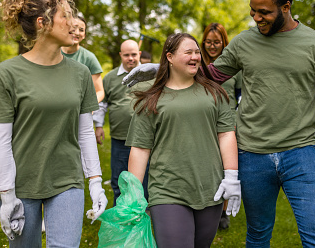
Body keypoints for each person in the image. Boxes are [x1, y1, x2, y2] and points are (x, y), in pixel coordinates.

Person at [123, 0, 315, 248]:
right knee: (258, 235)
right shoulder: (243, 43)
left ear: (286, 7)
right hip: (252, 155)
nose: (256, 18)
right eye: (253, 11)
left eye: (264, 12)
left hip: (301, 152)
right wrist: (162, 68)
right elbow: (210, 75)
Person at [0, 0, 108, 247]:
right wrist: (7, 194)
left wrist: (95, 181)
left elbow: (85, 131)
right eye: (65, 16)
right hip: (21, 184)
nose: (73, 23)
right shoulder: (8, 73)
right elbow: (0, 139)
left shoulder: (80, 73)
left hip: (66, 181)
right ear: (43, 23)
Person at [126, 33, 241, 248]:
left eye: (197, 52)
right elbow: (140, 149)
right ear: (169, 57)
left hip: (210, 191)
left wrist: (231, 176)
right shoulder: (150, 99)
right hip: (167, 191)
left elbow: (226, 135)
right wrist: (133, 195)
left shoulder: (215, 93)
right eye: (188, 52)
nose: (196, 57)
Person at [93, 39, 149, 205]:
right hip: (120, 137)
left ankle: (141, 209)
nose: (130, 58)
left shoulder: (149, 75)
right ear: (120, 56)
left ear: (139, 54)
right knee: (119, 177)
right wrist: (98, 126)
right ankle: (120, 208)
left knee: (144, 177)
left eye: (133, 54)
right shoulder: (110, 78)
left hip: (145, 138)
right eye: (126, 55)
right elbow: (102, 105)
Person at [201, 23, 242, 230]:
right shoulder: (198, 64)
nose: (212, 46)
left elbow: (241, 94)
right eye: (208, 42)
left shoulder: (234, 66)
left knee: (226, 166)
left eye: (216, 42)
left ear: (224, 42)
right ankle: (207, 205)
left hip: (228, 124)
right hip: (204, 122)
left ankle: (223, 212)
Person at [61, 16, 105, 103]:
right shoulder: (54, 53)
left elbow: (99, 91)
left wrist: (88, 108)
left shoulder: (89, 58)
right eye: (73, 28)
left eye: (81, 30)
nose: (77, 33)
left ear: (84, 35)